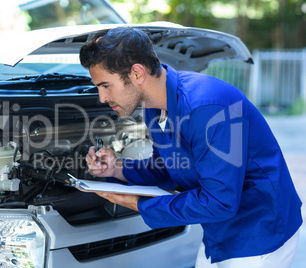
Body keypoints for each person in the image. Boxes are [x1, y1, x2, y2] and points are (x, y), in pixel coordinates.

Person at [79, 26, 303, 267]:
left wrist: (138, 204)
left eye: (105, 85)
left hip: (259, 233)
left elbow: (220, 202)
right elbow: (168, 168)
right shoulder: (155, 109)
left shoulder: (208, 108)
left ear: (136, 73)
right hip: (219, 232)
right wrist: (117, 170)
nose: (102, 98)